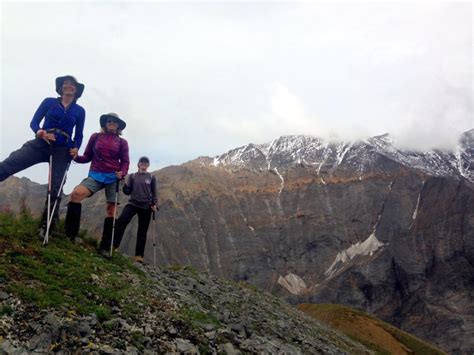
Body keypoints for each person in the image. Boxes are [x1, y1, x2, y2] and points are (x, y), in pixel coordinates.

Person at [0, 75, 85, 236]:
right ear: (60, 88)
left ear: (76, 90)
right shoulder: (49, 102)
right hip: (41, 143)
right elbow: (34, 122)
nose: (68, 86)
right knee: (11, 162)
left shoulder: (80, 111)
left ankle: (47, 227)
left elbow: (79, 134)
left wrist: (75, 148)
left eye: (72, 84)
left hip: (62, 149)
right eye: (65, 84)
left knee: (56, 187)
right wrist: (40, 132)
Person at [65, 113, 129, 246]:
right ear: (105, 123)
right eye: (109, 121)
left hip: (113, 177)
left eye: (115, 122)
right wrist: (76, 157)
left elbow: (125, 161)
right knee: (76, 194)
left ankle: (105, 246)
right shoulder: (96, 137)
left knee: (111, 210)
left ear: (118, 126)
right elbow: (87, 156)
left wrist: (122, 173)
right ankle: (70, 234)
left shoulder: (122, 142)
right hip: (95, 174)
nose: (112, 123)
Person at [111, 156, 158, 262]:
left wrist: (154, 204)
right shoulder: (132, 176)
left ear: (148, 165)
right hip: (133, 204)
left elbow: (154, 193)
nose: (144, 164)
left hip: (146, 206)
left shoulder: (151, 177)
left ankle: (139, 256)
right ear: (138, 164)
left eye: (146, 162)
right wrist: (123, 184)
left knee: (142, 230)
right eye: (142, 162)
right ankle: (114, 245)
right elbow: (127, 191)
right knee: (121, 222)